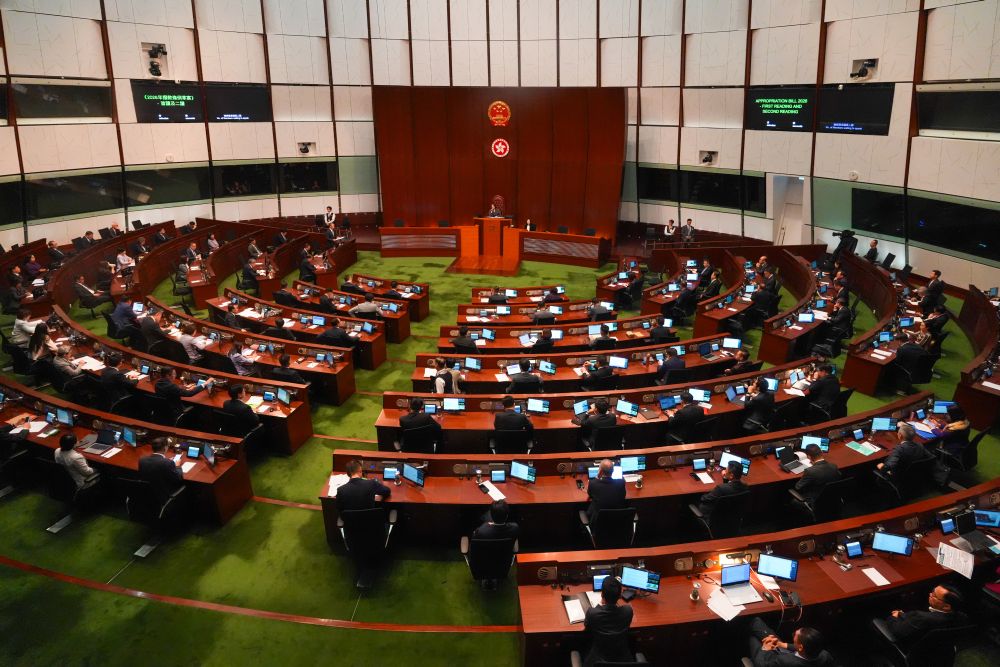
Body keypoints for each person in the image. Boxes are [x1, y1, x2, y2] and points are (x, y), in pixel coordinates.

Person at [882, 584, 968, 647]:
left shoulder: (921, 618)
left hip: (912, 648)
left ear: (946, 606)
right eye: (932, 591)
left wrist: (894, 616)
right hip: (937, 649)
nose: (930, 594)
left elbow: (897, 631)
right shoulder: (962, 617)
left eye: (934, 595)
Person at [582, 576, 634, 667]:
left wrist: (599, 606)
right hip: (622, 659)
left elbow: (587, 627)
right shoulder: (628, 611)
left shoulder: (592, 613)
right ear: (619, 596)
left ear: (602, 595)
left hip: (598, 660)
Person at [747, 617, 833, 667]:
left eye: (795, 635)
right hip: (788, 654)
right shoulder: (825, 655)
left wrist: (764, 649)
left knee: (753, 637)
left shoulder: (785, 661)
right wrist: (782, 644)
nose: (793, 634)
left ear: (801, 647)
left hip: (771, 659)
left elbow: (761, 665)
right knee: (757, 622)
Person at [138, 436, 184, 504]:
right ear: (165, 448)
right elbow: (178, 478)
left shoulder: (142, 460)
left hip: (145, 494)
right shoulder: (167, 463)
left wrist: (167, 461)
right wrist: (177, 466)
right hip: (161, 497)